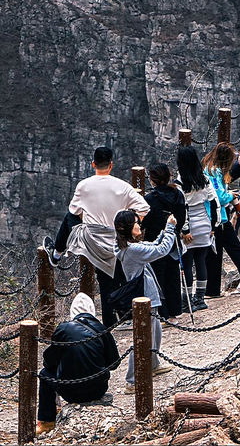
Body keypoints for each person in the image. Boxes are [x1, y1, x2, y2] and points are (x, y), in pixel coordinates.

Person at [42, 146, 148, 328]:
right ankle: (123, 317)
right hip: (118, 238)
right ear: (111, 165)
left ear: (93, 164)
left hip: (93, 242)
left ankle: (57, 254)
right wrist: (130, 223)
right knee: (117, 279)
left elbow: (74, 211)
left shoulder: (83, 186)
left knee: (105, 282)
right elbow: (145, 208)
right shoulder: (123, 186)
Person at [36, 292, 119, 435]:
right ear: (92, 311)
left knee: (44, 374)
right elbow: (114, 363)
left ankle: (47, 421)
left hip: (70, 392)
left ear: (72, 312)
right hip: (98, 389)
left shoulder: (64, 329)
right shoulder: (102, 329)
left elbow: (49, 361)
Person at [114, 210, 175, 390]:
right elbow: (161, 250)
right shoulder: (132, 250)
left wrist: (164, 231)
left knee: (155, 332)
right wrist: (171, 229)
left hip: (147, 295)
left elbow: (152, 245)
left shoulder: (127, 246)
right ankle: (132, 380)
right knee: (142, 337)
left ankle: (154, 364)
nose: (139, 225)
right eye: (135, 223)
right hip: (144, 296)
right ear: (128, 228)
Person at [202, 143, 240, 297]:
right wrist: (231, 196)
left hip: (215, 218)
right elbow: (218, 197)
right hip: (219, 218)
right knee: (237, 251)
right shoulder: (214, 173)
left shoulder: (210, 169)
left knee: (216, 254)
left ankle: (212, 289)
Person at [176, 145, 218, 311]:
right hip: (204, 223)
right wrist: (213, 225)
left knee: (187, 264)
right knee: (201, 262)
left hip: (190, 223)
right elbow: (214, 202)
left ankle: (187, 301)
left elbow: (182, 208)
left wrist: (185, 231)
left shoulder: (180, 182)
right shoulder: (204, 179)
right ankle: (200, 298)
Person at [142, 163, 186, 319]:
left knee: (157, 277)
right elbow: (182, 217)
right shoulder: (178, 194)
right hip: (173, 239)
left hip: (155, 240)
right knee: (173, 275)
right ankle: (175, 309)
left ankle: (162, 312)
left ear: (152, 180)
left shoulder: (149, 198)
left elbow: (145, 222)